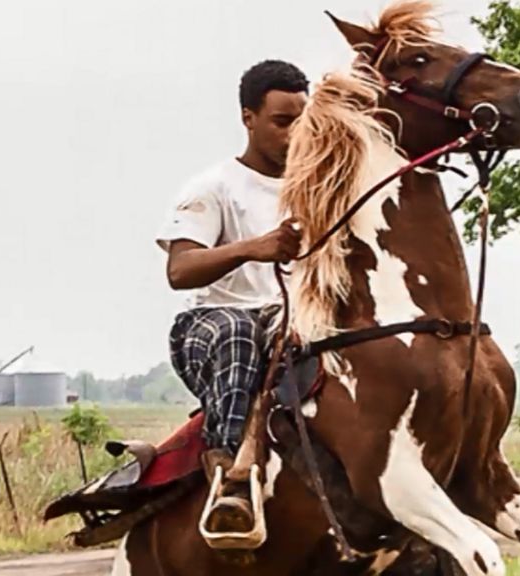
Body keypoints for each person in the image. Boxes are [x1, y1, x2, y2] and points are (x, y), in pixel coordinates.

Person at [155, 59, 308, 536]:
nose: (294, 134)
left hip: (291, 324)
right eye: (283, 122)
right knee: (239, 332)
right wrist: (254, 248)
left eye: (303, 122)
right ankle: (230, 478)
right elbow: (180, 270)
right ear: (248, 118)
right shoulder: (213, 187)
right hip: (215, 327)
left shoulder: (317, 187)